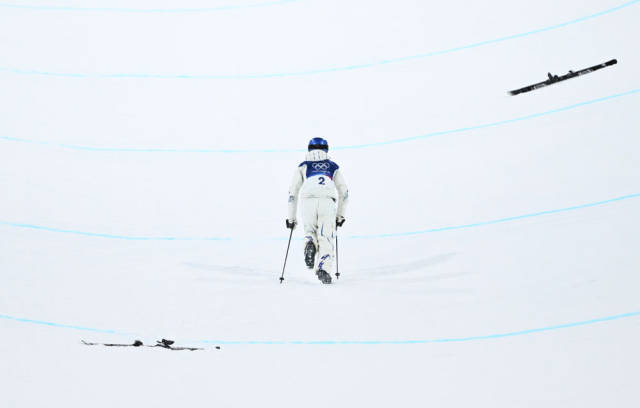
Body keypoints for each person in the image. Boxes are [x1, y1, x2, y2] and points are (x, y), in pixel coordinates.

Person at [286, 138, 349, 284]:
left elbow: (292, 193)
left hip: (307, 201)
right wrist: (340, 216)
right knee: (326, 236)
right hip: (327, 202)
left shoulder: (303, 166)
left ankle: (310, 243)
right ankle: (323, 269)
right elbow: (344, 193)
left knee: (310, 231)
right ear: (326, 149)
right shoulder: (333, 166)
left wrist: (291, 219)